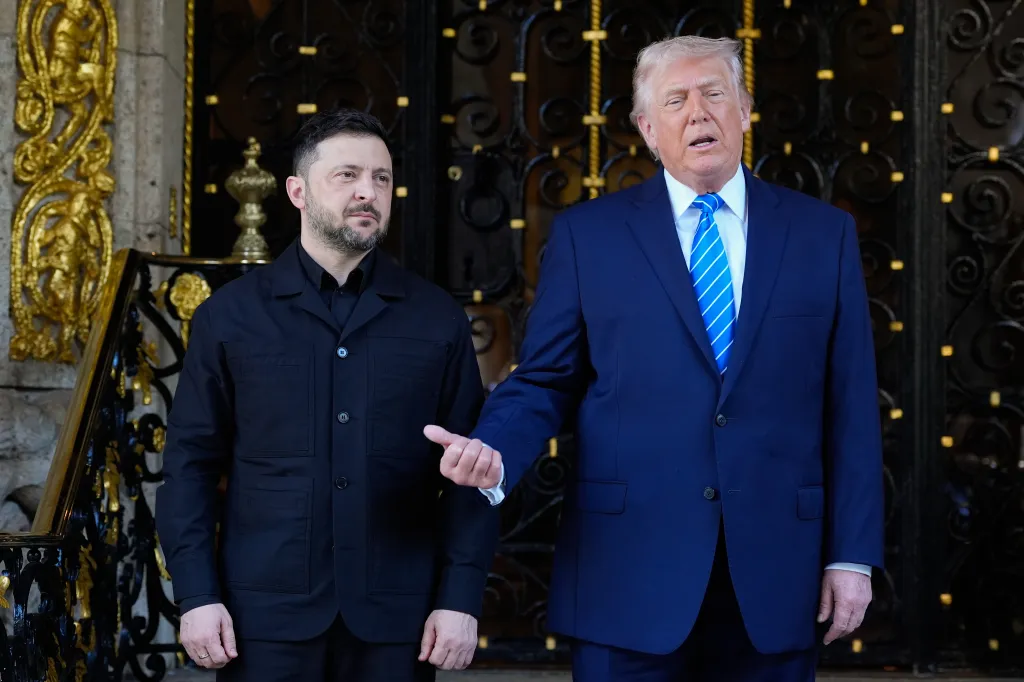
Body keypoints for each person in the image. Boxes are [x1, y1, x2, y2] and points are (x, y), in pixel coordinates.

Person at [424, 35, 883, 681]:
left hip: (779, 571)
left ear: (745, 109)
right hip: (627, 572)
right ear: (647, 128)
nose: (699, 113)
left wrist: (853, 555)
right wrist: (495, 448)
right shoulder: (589, 236)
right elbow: (549, 378)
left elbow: (852, 403)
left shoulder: (821, 234)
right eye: (676, 100)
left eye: (714, 94)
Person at [156, 108, 499, 682]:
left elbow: (475, 475)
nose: (368, 192)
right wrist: (195, 595)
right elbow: (189, 468)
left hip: (399, 621)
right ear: (297, 191)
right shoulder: (229, 317)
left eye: (382, 178)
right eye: (347, 176)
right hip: (261, 619)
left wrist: (460, 596)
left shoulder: (437, 317)